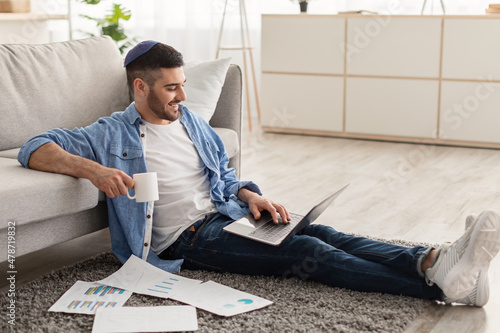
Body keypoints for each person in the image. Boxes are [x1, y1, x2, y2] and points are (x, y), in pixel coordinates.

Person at [18, 40, 500, 307]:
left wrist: (249, 195)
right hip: (182, 241)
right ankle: (435, 283)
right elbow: (34, 148)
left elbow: (223, 178)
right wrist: (95, 171)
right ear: (140, 87)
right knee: (307, 251)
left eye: (184, 86)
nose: (182, 98)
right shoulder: (110, 134)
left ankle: (435, 259)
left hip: (225, 213)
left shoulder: (190, 122)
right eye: (170, 89)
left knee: (320, 230)